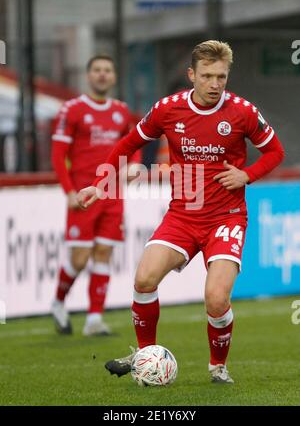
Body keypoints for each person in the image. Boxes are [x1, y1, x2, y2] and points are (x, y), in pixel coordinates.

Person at [77, 41, 284, 382]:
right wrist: (99, 186)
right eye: (207, 76)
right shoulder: (168, 109)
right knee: (144, 279)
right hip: (183, 216)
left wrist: (247, 174)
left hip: (226, 217)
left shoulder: (243, 112)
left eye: (221, 76)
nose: (215, 84)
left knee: (216, 299)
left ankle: (218, 366)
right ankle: (145, 357)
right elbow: (128, 144)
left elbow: (275, 152)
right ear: (192, 75)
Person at [51, 54, 140, 336]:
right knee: (79, 259)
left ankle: (94, 319)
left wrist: (135, 163)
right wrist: (68, 191)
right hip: (83, 194)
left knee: (103, 252)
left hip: (112, 194)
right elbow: (57, 155)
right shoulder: (73, 109)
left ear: (113, 77)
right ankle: (58, 302)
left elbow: (134, 142)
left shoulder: (121, 111)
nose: (102, 75)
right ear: (89, 76)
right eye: (97, 70)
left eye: (107, 70)